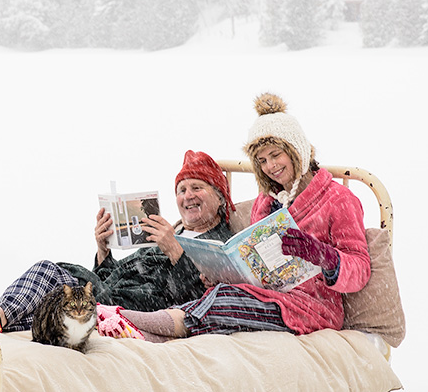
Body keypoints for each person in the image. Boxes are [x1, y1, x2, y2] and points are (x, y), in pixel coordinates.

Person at [118, 93, 372, 342]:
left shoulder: (338, 199)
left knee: (225, 301)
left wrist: (324, 256)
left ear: (296, 150)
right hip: (266, 293)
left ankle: (127, 321)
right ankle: (143, 336)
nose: (269, 167)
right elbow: (255, 263)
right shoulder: (266, 201)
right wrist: (222, 273)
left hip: (312, 307)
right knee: (221, 292)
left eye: (276, 155)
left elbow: (360, 271)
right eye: (261, 160)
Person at [0, 150, 234, 333]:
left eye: (197, 188)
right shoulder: (173, 230)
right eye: (181, 190)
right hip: (105, 289)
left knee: (49, 272)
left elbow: (199, 300)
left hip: (131, 305)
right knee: (46, 311)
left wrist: (175, 252)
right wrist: (104, 250)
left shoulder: (220, 244)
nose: (187, 196)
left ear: (220, 198)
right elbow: (119, 274)